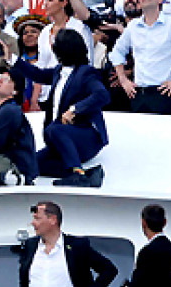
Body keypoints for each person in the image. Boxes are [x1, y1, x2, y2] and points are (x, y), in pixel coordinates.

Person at [25, 27, 111, 187]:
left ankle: (77, 174)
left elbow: (102, 95)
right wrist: (11, 58)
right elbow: (36, 74)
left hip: (86, 138)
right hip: (61, 140)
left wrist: (74, 110)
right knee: (31, 164)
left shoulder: (86, 73)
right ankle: (89, 174)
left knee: (54, 128)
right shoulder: (59, 71)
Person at [107, 0, 171, 115]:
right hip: (140, 94)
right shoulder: (133, 27)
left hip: (166, 94)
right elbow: (117, 52)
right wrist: (123, 79)